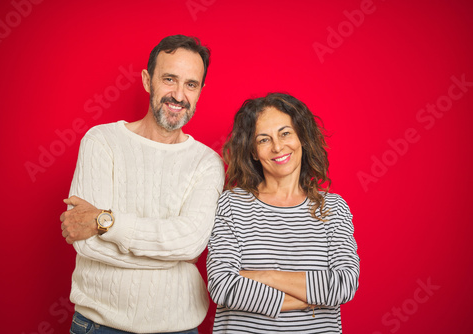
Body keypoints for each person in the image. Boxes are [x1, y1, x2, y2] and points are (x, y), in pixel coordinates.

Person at [60, 35, 225, 334]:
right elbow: (87, 244)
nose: (178, 95)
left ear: (200, 91)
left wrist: (105, 222)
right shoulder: (101, 142)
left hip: (179, 327)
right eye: (169, 79)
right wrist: (172, 258)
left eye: (191, 84)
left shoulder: (207, 162)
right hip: (98, 326)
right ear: (148, 81)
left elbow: (190, 244)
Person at [206, 93, 360, 333]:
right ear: (253, 152)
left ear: (302, 138)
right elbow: (223, 286)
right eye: (263, 139)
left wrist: (268, 276)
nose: (278, 146)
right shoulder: (231, 205)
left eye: (285, 133)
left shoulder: (333, 208)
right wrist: (311, 299)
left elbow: (344, 285)